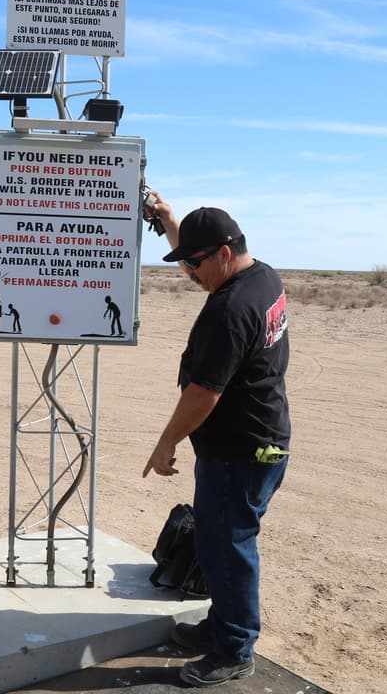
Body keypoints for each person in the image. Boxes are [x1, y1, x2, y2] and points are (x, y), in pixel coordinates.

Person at [140, 194, 291, 688]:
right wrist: (168, 222)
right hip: (258, 439)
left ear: (224, 255)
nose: (189, 272)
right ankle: (222, 626)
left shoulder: (230, 309)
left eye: (195, 264)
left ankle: (233, 648)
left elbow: (204, 393)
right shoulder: (260, 275)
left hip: (239, 450)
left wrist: (167, 442)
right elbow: (199, 252)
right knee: (218, 539)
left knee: (229, 546)